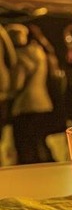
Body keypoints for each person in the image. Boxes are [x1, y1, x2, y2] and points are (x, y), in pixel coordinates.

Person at [6, 23, 54, 164]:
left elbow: (17, 84)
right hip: (43, 103)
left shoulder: (21, 57)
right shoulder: (39, 52)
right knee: (38, 142)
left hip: (25, 106)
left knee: (25, 145)